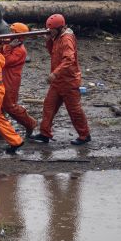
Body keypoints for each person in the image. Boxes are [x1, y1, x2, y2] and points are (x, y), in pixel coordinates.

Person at [31, 14, 91, 145]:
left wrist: (55, 73)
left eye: (51, 30)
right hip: (58, 82)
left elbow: (69, 59)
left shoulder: (67, 39)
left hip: (69, 81)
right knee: (48, 106)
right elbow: (53, 52)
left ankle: (84, 135)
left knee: (74, 110)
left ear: (60, 28)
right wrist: (48, 40)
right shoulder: (57, 37)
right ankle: (44, 133)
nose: (49, 32)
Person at [1, 22, 38, 137]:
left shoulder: (20, 50)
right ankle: (0, 130)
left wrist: (8, 47)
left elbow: (5, 61)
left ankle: (30, 123)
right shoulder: (11, 45)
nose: (10, 34)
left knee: (10, 106)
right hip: (3, 78)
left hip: (11, 81)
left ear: (19, 36)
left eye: (13, 32)